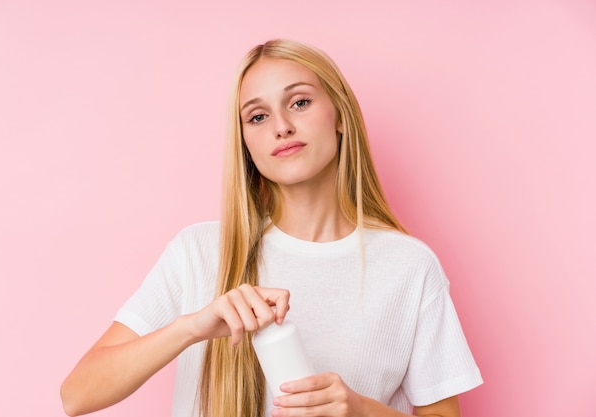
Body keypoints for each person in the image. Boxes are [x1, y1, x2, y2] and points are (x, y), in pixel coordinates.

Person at [60, 39, 483, 417]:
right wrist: (193, 326)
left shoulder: (409, 267)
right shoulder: (199, 252)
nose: (281, 126)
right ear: (245, 141)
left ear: (340, 115)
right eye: (258, 116)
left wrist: (360, 411)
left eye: (299, 103)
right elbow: (76, 396)